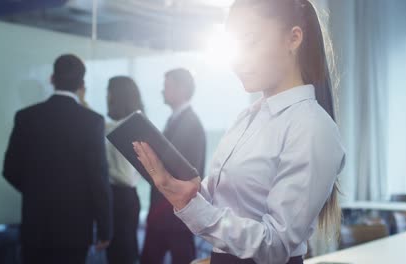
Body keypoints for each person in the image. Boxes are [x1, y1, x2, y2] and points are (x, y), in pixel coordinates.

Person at [133, 0, 345, 263]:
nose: (237, 59)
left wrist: (194, 208)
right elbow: (225, 203)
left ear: (293, 39)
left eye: (250, 41)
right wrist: (187, 191)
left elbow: (275, 245)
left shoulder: (313, 127)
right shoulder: (247, 117)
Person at [3, 54, 112, 264]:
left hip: (35, 226)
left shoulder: (26, 117)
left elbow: (10, 170)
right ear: (81, 84)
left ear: (52, 78)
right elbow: (98, 179)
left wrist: (36, 191)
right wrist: (105, 228)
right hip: (75, 229)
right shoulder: (92, 122)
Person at [141, 68, 207, 264]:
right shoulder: (176, 120)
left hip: (175, 215)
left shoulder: (190, 124)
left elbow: (185, 173)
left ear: (182, 89)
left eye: (167, 86)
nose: (162, 91)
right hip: (165, 213)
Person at [105, 76, 144, 264]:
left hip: (122, 198)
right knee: (120, 253)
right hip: (123, 199)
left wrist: (102, 170)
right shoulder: (128, 123)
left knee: (122, 255)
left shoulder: (126, 127)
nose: (107, 96)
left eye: (109, 91)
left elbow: (126, 177)